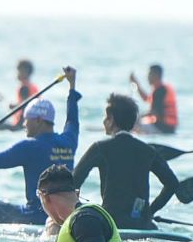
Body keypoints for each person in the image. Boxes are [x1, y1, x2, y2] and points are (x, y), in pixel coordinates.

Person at [0, 66, 80, 224]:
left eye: (27, 119)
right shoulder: (69, 141)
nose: (24, 124)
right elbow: (72, 120)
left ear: (38, 120)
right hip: (65, 215)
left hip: (35, 216)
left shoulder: (30, 147)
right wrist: (72, 85)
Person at [72, 93, 179, 230]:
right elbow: (172, 184)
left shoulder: (100, 148)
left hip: (111, 224)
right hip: (142, 224)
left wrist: (80, 209)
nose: (104, 121)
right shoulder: (148, 151)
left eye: (106, 117)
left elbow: (73, 182)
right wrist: (149, 212)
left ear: (111, 120)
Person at [0, 59, 41, 130]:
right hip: (33, 124)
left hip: (21, 125)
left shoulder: (24, 88)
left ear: (26, 72)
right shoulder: (33, 86)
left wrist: (12, 106)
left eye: (19, 71)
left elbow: (25, 107)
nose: (17, 73)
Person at [129, 63, 178, 134]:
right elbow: (146, 99)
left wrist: (137, 117)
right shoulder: (160, 89)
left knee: (133, 125)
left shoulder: (160, 90)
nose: (147, 77)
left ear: (156, 75)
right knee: (138, 122)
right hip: (167, 127)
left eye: (149, 74)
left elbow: (154, 112)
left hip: (163, 128)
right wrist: (136, 84)